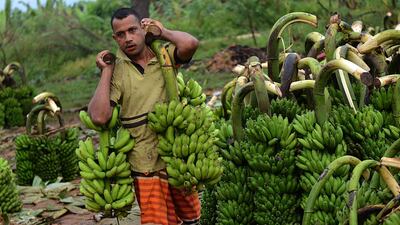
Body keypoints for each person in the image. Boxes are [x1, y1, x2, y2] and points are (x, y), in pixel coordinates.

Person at [87, 7, 200, 225]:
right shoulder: (117, 71)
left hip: (176, 150)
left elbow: (190, 44)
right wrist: (106, 71)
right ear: (114, 38)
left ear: (142, 27)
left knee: (190, 217)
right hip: (144, 161)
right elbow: (99, 117)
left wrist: (162, 31)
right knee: (157, 220)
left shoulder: (163, 54)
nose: (127, 38)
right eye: (120, 35)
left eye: (132, 30)